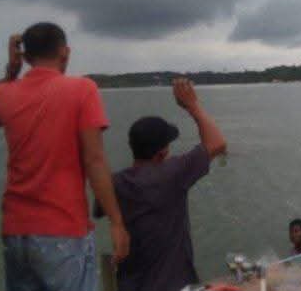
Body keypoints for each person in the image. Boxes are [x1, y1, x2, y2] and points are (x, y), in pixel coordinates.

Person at [0, 22, 129, 291]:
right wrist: (117, 222)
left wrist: (11, 70)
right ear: (65, 52)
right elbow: (94, 160)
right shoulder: (82, 89)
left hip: (15, 230)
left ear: (26, 57)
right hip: (63, 228)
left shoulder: (2, 93)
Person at [94, 78, 227, 291]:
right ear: (162, 153)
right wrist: (192, 105)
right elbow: (217, 143)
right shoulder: (173, 174)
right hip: (173, 285)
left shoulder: (115, 183)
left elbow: (99, 209)